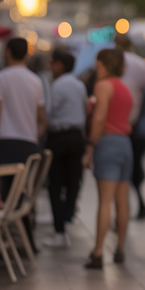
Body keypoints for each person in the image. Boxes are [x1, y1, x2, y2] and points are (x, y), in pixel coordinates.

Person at [0, 37, 47, 247]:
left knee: (6, 195)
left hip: (7, 143)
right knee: (23, 194)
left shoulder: (0, 78)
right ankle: (27, 240)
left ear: (8, 52)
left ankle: (5, 240)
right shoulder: (35, 80)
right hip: (29, 145)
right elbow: (42, 119)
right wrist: (34, 135)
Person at [84, 48, 133, 268]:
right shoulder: (124, 88)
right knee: (122, 200)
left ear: (103, 64)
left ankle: (98, 252)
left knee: (105, 201)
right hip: (125, 143)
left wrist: (90, 146)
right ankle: (120, 248)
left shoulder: (103, 86)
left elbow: (100, 117)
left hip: (108, 143)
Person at [45, 49, 88, 247]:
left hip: (59, 137)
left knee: (55, 184)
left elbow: (49, 111)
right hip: (76, 137)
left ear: (59, 65)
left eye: (52, 63)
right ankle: (68, 216)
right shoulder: (79, 85)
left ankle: (59, 228)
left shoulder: (57, 85)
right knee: (73, 181)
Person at [114, 33, 145, 219]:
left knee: (125, 169)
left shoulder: (116, 65)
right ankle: (134, 206)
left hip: (125, 126)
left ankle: (126, 209)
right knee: (133, 166)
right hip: (142, 127)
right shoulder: (141, 65)